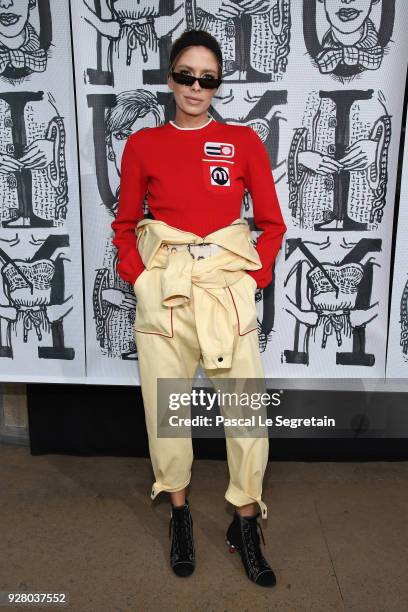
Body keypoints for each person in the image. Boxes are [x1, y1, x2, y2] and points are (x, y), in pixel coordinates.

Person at [111, 29, 287, 587]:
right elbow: (124, 224)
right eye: (185, 75)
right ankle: (181, 516)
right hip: (164, 294)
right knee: (168, 416)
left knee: (246, 417)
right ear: (170, 78)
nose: (195, 86)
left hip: (224, 292)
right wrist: (138, 278)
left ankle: (244, 523)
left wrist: (252, 277)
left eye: (206, 78)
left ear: (217, 85)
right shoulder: (142, 145)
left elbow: (271, 223)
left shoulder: (243, 142)